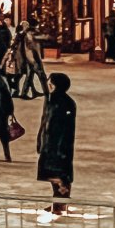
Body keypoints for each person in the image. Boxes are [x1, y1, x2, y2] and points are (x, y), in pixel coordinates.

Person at [36, 72, 76, 212]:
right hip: (49, 143)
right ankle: (57, 201)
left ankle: (61, 203)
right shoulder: (51, 99)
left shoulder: (65, 103)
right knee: (52, 174)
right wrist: (40, 138)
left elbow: (63, 127)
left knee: (61, 175)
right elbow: (45, 120)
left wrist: (58, 146)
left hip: (59, 145)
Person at [9, 20, 47, 100]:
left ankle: (26, 92)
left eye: (27, 25)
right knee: (24, 75)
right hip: (25, 59)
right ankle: (20, 92)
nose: (27, 26)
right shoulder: (22, 35)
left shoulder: (24, 34)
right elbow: (25, 49)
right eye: (25, 25)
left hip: (26, 59)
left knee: (29, 75)